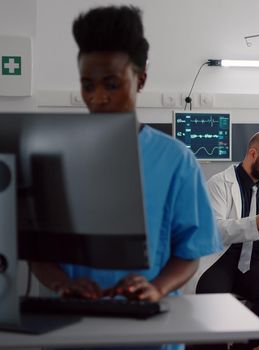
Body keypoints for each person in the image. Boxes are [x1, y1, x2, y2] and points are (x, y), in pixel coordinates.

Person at [30, 5, 222, 350]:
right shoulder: (57, 158)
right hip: (76, 328)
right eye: (87, 85)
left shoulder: (175, 161)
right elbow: (39, 252)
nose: (97, 98)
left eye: (111, 84)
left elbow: (188, 251)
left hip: (151, 331)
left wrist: (157, 288)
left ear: (141, 79)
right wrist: (62, 285)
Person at [195, 131, 259, 350]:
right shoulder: (219, 184)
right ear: (252, 154)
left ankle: (242, 344)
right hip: (221, 260)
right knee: (211, 304)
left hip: (253, 262)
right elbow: (213, 230)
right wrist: (253, 224)